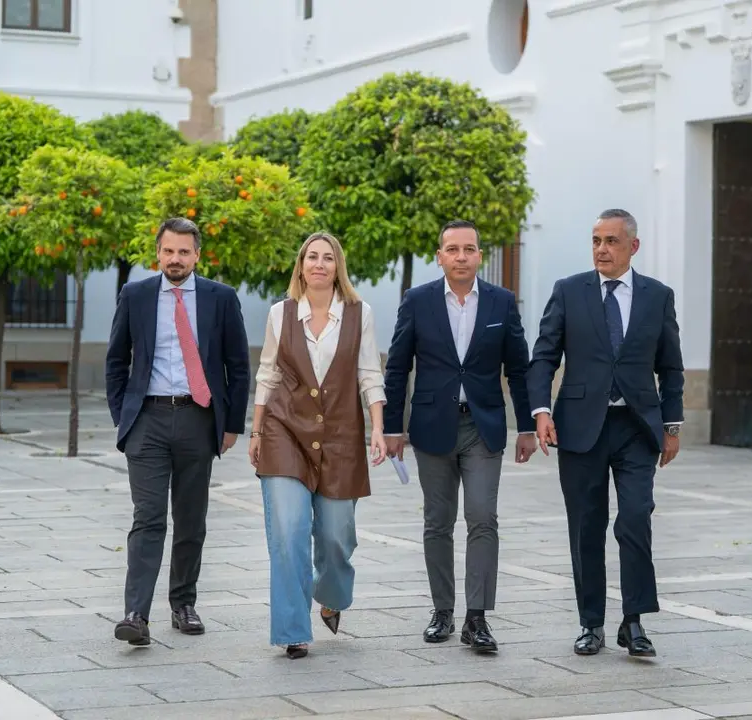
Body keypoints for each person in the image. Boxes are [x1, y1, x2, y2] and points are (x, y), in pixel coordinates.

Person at [527, 209, 684, 658]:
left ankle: (633, 621)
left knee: (635, 517)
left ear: (633, 246)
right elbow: (543, 357)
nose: (601, 249)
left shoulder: (657, 296)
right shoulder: (569, 291)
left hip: (636, 427)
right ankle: (591, 623)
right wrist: (540, 410)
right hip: (579, 427)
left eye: (611, 241)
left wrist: (671, 425)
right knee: (586, 527)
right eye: (596, 240)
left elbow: (670, 366)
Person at [384, 220, 537, 654]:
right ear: (440, 256)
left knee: (483, 518)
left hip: (483, 426)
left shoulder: (502, 303)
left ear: (479, 255)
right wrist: (392, 427)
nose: (462, 256)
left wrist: (526, 425)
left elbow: (519, 369)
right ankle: (442, 611)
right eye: (453, 249)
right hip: (432, 427)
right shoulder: (417, 301)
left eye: (469, 249)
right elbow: (398, 368)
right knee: (437, 522)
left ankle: (477, 618)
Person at [105, 216, 250, 646]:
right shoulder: (135, 296)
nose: (175, 259)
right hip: (146, 421)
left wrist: (231, 426)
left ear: (197, 255)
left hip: (198, 419)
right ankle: (136, 613)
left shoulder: (221, 299)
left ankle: (183, 603)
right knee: (147, 518)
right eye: (168, 251)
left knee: (191, 519)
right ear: (158, 253)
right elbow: (116, 362)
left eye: (183, 252)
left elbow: (237, 366)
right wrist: (123, 419)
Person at [249, 231, 388, 659]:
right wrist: (256, 430)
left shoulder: (359, 313)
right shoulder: (280, 313)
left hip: (341, 437)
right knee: (288, 534)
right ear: (301, 265)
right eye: (312, 257)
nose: (320, 264)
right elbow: (268, 373)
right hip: (283, 432)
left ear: (337, 267)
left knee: (335, 537)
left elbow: (369, 373)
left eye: (328, 258)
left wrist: (377, 429)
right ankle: (293, 629)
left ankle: (332, 595)